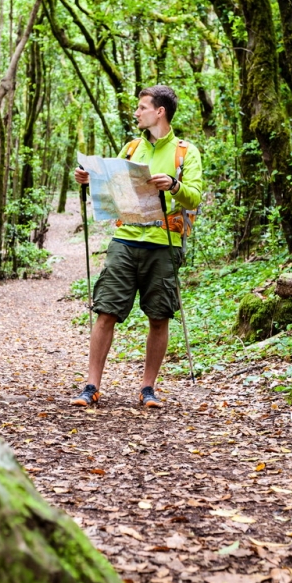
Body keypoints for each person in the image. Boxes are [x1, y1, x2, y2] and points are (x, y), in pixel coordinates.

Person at [71, 85, 203, 408]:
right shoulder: (131, 149)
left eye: (142, 107)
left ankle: (148, 389)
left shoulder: (185, 153)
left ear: (160, 112)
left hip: (164, 244)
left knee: (159, 317)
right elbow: (112, 187)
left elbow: (195, 197)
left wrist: (174, 185)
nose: (137, 112)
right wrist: (90, 180)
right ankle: (91, 387)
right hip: (125, 241)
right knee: (106, 311)